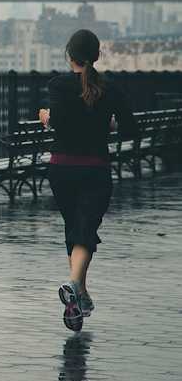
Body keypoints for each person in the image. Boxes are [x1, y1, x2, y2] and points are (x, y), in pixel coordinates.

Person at [38, 29, 138, 332]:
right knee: (85, 230)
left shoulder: (57, 85)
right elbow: (130, 131)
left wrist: (47, 118)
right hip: (95, 169)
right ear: (96, 56)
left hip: (62, 168)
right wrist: (107, 123)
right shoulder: (110, 88)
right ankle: (74, 287)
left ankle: (79, 296)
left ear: (70, 55)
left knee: (75, 229)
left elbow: (61, 121)